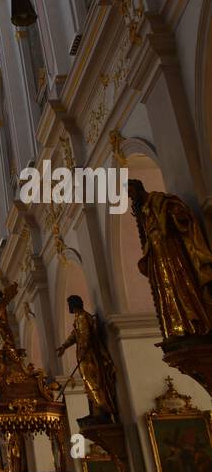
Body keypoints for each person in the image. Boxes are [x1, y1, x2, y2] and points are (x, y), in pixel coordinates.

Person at [128, 180, 212, 340]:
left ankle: (194, 319)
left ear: (138, 189)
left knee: (180, 282)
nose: (131, 198)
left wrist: (175, 215)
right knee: (167, 289)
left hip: (170, 251)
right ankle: (178, 325)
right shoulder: (143, 210)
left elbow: (177, 212)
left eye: (131, 193)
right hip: (158, 255)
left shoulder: (159, 199)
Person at [57, 295, 119, 422]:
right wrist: (64, 346)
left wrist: (83, 351)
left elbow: (84, 336)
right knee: (88, 382)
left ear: (73, 304)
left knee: (92, 381)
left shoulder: (82, 317)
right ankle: (95, 411)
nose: (68, 307)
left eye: (69, 304)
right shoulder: (79, 317)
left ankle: (102, 410)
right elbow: (75, 335)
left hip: (88, 356)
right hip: (85, 355)